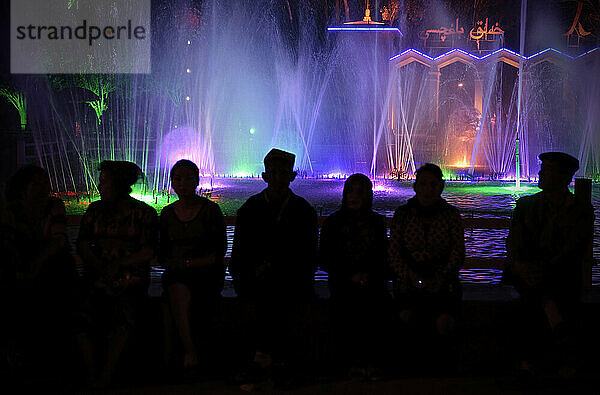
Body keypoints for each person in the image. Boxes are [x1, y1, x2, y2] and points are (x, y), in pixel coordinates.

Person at [230, 148, 318, 387]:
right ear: (264, 176)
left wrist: (279, 269)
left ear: (292, 176)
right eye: (274, 173)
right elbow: (238, 255)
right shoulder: (249, 210)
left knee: (276, 294)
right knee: (266, 295)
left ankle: (262, 360)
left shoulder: (303, 211)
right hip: (258, 280)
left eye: (283, 173)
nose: (278, 178)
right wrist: (251, 273)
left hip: (290, 281)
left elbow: (310, 255)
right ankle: (278, 361)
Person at [505, 152, 594, 376]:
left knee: (534, 300)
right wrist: (524, 267)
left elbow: (573, 249)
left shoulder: (580, 210)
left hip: (556, 275)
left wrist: (540, 270)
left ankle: (528, 364)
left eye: (547, 170)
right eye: (542, 168)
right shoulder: (526, 205)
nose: (540, 173)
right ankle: (564, 361)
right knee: (544, 296)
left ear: (565, 177)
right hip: (527, 274)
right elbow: (514, 244)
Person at [76, 160, 158, 387]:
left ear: (120, 185)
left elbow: (149, 250)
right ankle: (93, 373)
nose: (99, 186)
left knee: (123, 315)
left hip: (131, 279)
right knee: (81, 316)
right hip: (97, 277)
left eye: (105, 182)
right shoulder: (94, 211)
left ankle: (105, 375)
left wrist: (119, 265)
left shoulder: (144, 214)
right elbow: (82, 244)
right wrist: (99, 266)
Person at [0, 165, 77, 381]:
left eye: (46, 183)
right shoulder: (11, 211)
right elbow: (8, 245)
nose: (45, 188)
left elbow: (59, 240)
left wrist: (33, 266)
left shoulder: (54, 206)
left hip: (50, 271)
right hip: (23, 271)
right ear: (24, 188)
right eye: (38, 183)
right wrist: (23, 269)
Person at [388, 163, 464, 371]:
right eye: (423, 184)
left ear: (441, 187)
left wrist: (440, 277)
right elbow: (394, 251)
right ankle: (410, 366)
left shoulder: (451, 215)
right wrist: (410, 276)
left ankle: (440, 368)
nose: (428, 189)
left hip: (443, 282)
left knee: (444, 321)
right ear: (415, 186)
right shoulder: (403, 214)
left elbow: (458, 252)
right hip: (408, 281)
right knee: (406, 318)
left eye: (433, 185)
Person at [319, 173, 389, 379]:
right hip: (342, 284)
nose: (354, 196)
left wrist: (368, 275)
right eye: (350, 191)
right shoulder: (333, 223)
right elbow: (325, 258)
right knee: (346, 311)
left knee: (375, 309)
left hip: (371, 283)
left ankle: (370, 362)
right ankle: (350, 364)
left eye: (360, 192)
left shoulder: (376, 222)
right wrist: (350, 276)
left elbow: (382, 255)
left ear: (368, 195)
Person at [159, 160, 226, 371]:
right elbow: (162, 250)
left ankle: (187, 353)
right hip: (178, 273)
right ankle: (189, 352)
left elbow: (219, 250)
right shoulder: (167, 213)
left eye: (188, 178)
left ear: (197, 181)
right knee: (177, 287)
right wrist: (174, 263)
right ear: (172, 183)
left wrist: (189, 262)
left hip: (206, 272)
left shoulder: (210, 211)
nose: (182, 183)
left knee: (177, 291)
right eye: (177, 179)